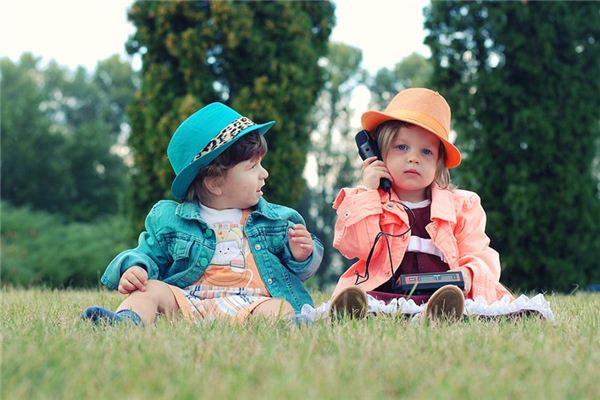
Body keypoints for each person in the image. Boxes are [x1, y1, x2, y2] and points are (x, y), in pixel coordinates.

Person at [82, 102, 323, 325]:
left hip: (252, 304)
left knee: (279, 308)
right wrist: (136, 269)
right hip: (188, 302)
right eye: (252, 167)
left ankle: (292, 325)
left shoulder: (275, 220)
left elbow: (301, 271)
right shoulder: (171, 220)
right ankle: (126, 321)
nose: (265, 173)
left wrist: (301, 255)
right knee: (149, 290)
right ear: (215, 182)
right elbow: (147, 253)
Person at [329, 88, 512, 321]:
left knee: (460, 303)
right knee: (369, 302)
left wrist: (468, 273)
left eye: (426, 151)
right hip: (386, 292)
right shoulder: (369, 201)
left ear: (438, 164)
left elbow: (479, 253)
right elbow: (354, 246)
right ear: (377, 154)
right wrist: (369, 193)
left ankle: (437, 315)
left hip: (442, 294)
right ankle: (357, 312)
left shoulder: (461, 206)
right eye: (402, 147)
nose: (413, 158)